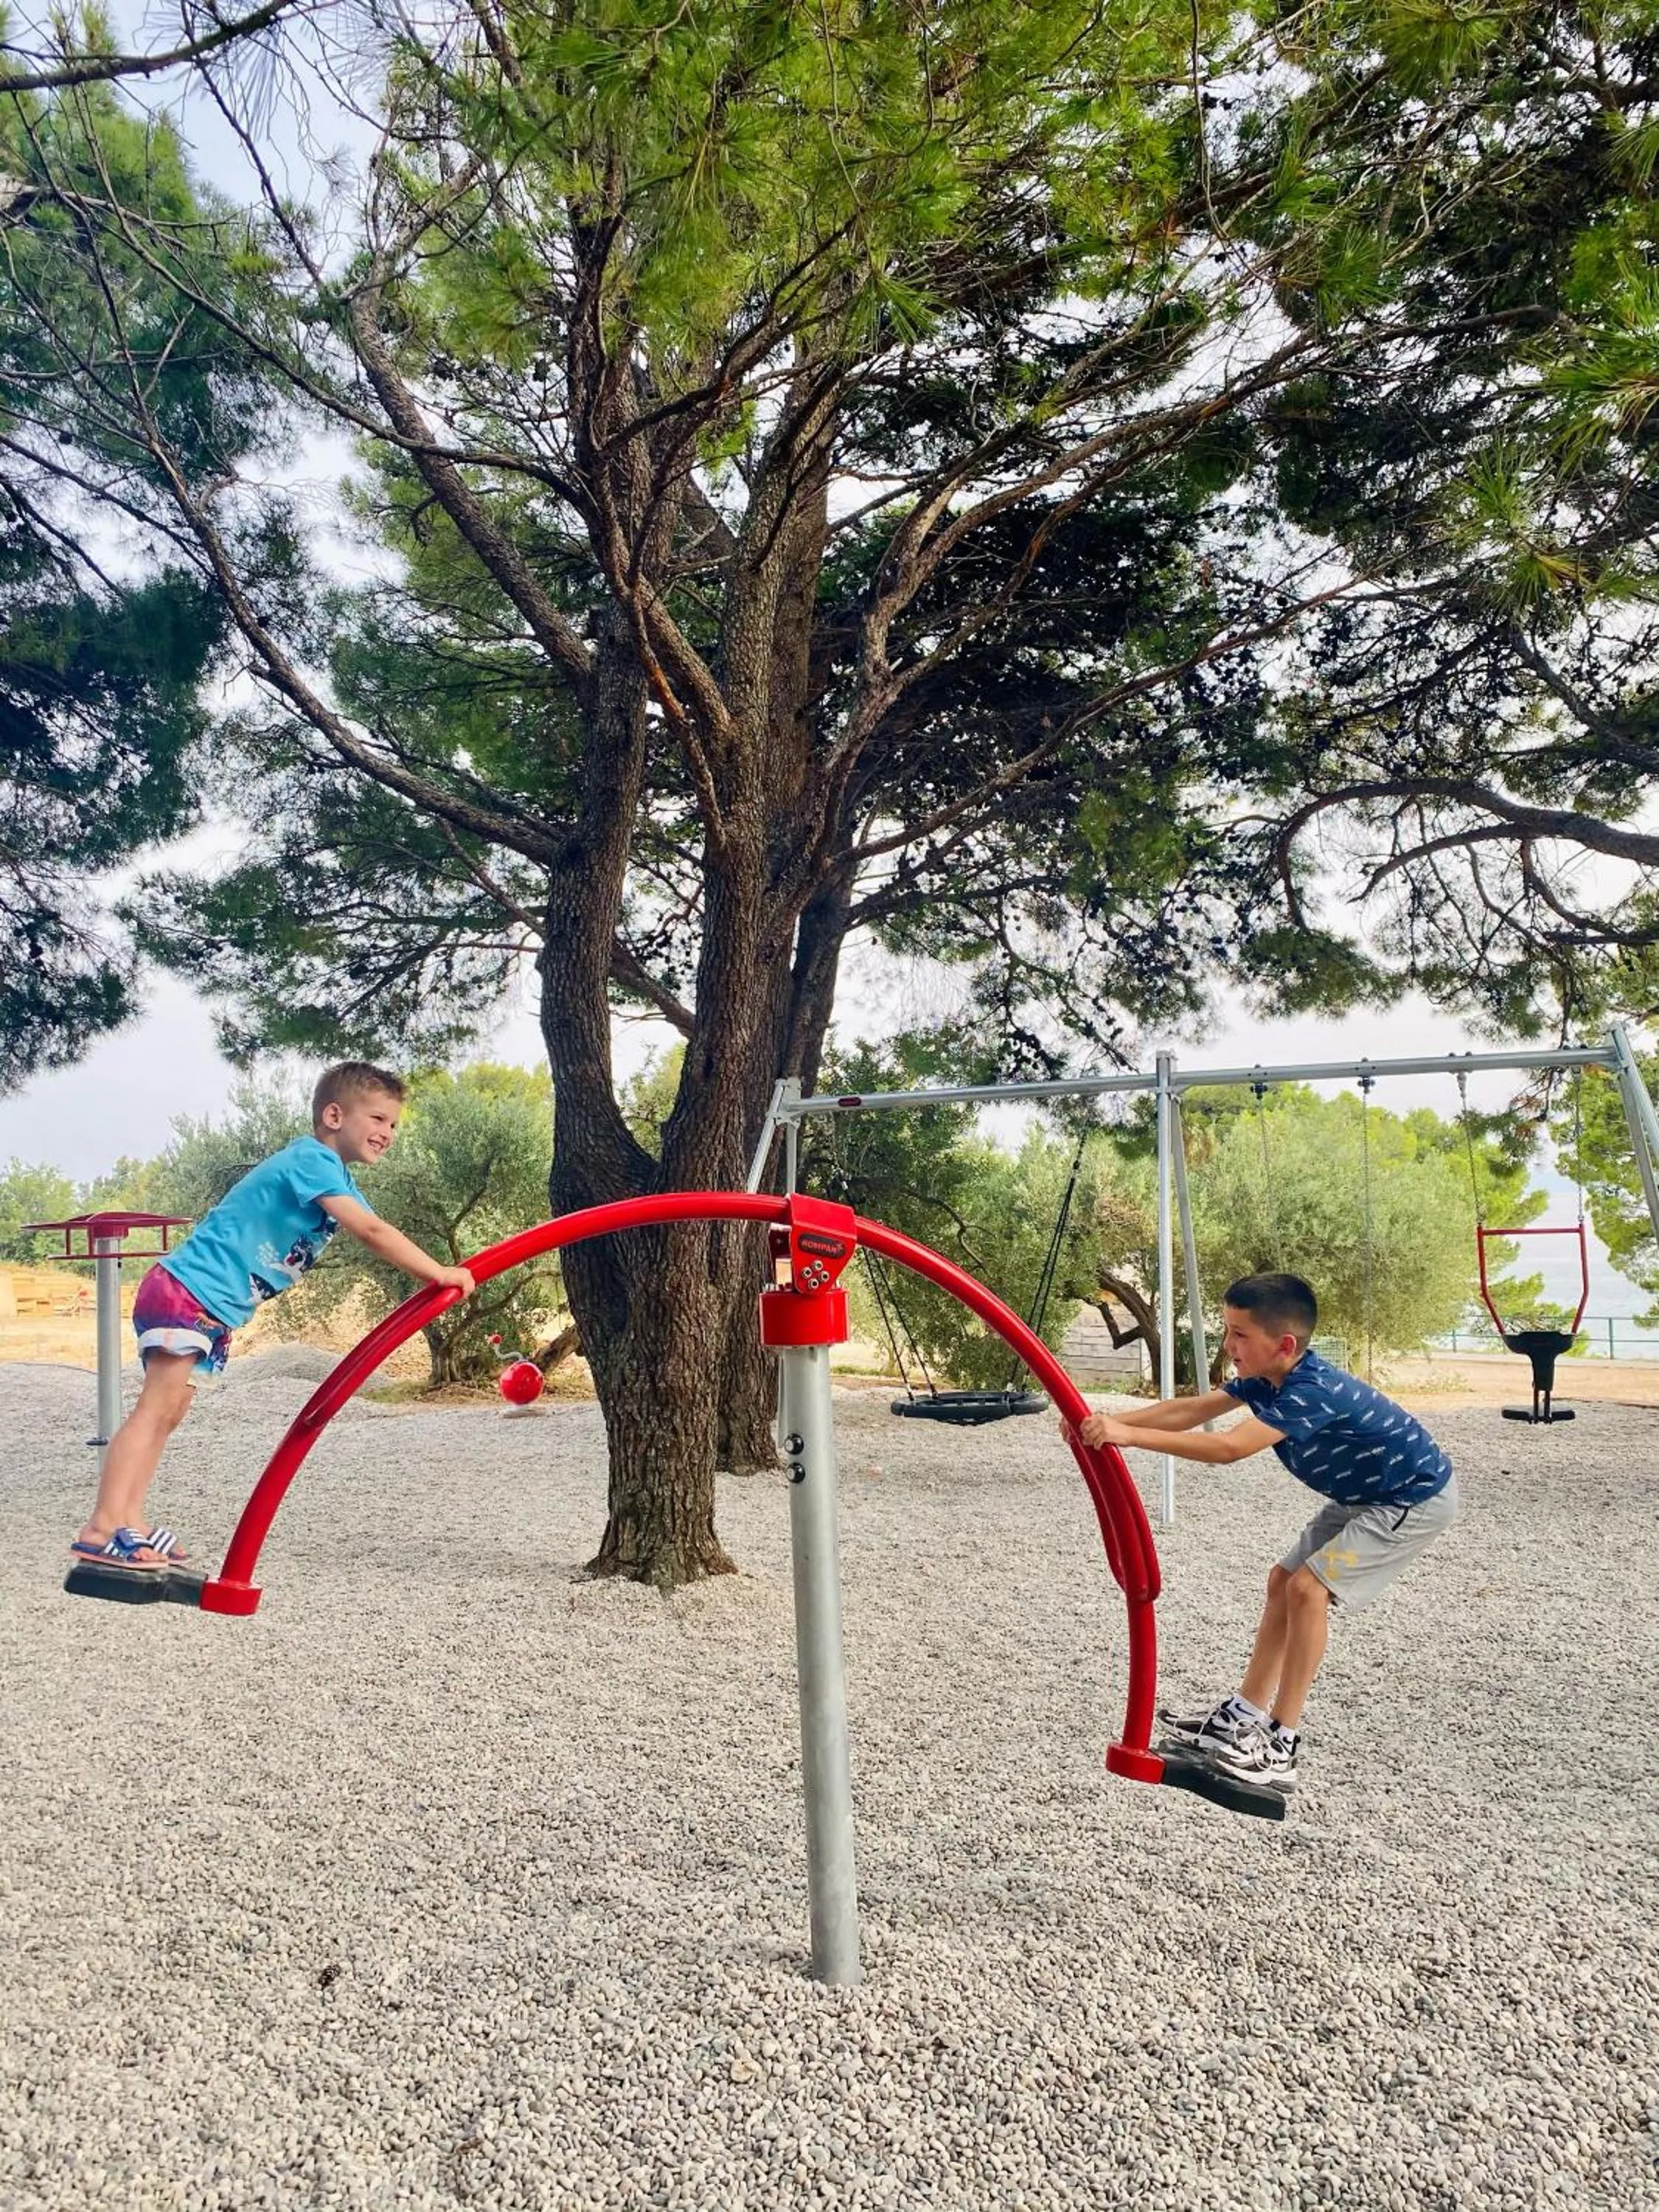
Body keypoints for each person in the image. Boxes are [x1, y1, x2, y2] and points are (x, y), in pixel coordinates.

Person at [70, 1062, 476, 1576]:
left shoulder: (336, 1175)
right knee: (154, 1411)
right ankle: (103, 1527)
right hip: (189, 1292)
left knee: (168, 1415)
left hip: (214, 1309)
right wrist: (439, 1272)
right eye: (378, 1119)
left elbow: (373, 1225)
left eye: (394, 1125)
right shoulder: (311, 1160)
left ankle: (131, 1518)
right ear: (334, 1115)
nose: (388, 1133)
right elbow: (372, 1231)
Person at [1068, 1271, 1456, 1793]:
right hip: (1363, 1496)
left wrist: (1128, 1436)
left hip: (1411, 1499)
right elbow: (1192, 1410)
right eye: (1227, 1331)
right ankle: (1244, 1715)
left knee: (1308, 1589)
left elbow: (1229, 1449)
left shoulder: (1311, 1391)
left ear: (1285, 1344)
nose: (1228, 1346)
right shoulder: (1267, 1378)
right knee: (1283, 1581)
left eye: (1239, 1335)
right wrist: (1098, 1421)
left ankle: (1281, 1743)